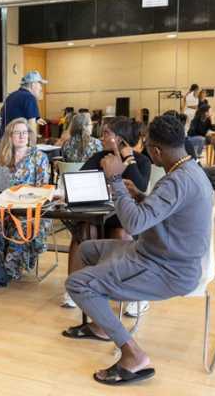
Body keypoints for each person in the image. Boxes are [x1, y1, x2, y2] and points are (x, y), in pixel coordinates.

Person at [63, 114, 213, 385]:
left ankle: (133, 354)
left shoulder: (175, 181)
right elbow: (166, 210)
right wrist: (141, 196)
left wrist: (117, 182)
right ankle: (100, 326)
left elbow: (133, 222)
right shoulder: (191, 171)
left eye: (148, 146)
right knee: (87, 250)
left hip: (167, 268)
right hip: (156, 253)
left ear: (156, 151)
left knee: (78, 284)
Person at [61, 117, 151, 311]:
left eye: (106, 133)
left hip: (126, 216)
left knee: (121, 234)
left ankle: (135, 294)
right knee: (83, 233)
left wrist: (128, 158)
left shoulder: (141, 161)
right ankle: (74, 287)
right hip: (99, 212)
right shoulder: (99, 156)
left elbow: (140, 187)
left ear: (120, 139)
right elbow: (80, 180)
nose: (101, 137)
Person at [0, 118, 50, 279]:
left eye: (24, 132)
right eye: (17, 132)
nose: (22, 136)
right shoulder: (3, 157)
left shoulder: (39, 157)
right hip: (5, 206)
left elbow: (43, 188)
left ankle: (10, 269)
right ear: (10, 136)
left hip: (30, 208)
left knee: (22, 225)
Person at [0, 70, 47, 140]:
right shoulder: (29, 98)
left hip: (5, 142)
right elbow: (32, 128)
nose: (41, 88)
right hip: (18, 143)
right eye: (40, 84)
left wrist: (36, 118)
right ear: (33, 84)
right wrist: (33, 147)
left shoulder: (11, 96)